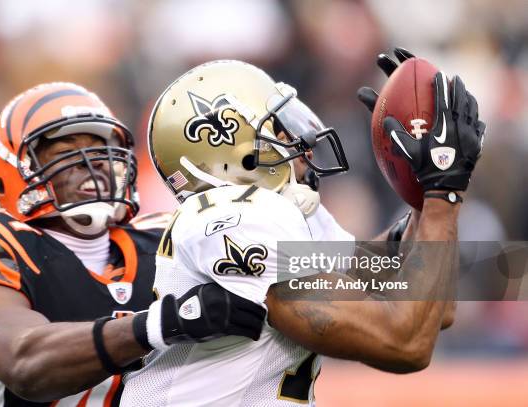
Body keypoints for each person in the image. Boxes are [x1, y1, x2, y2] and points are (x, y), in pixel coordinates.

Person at [120, 49, 485, 406]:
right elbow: (404, 343)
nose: (304, 142)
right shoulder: (231, 219)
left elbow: (427, 301)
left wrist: (421, 184)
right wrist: (442, 190)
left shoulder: (283, 213)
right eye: (280, 128)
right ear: (232, 148)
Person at [0, 82, 267, 405]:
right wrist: (164, 323)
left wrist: (306, 218)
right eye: (66, 151)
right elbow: (23, 362)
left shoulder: (166, 236)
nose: (95, 162)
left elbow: (301, 274)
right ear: (11, 167)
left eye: (102, 150)